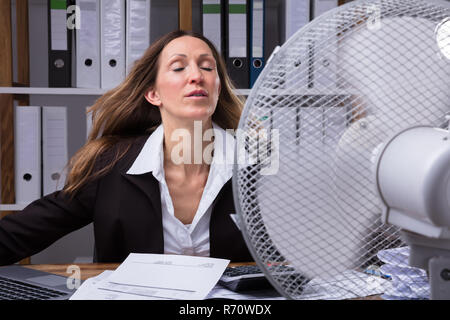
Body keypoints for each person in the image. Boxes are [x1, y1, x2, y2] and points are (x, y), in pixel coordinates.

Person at [0, 30, 253, 265]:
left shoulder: (255, 166)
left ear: (218, 87)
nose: (197, 76)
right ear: (153, 94)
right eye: (178, 67)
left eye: (207, 67)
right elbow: (25, 232)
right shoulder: (111, 164)